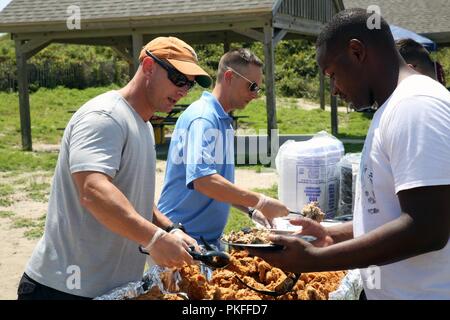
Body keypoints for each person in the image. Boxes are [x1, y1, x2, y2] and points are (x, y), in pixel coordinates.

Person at [249, 8, 450, 300]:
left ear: (357, 52)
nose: (333, 90)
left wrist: (316, 260)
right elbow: (388, 215)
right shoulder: (394, 106)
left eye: (332, 74)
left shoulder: (416, 105)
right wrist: (329, 236)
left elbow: (427, 228)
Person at [17, 36, 212, 300]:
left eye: (189, 83)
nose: (183, 89)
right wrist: (154, 239)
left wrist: (169, 230)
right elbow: (93, 190)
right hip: (62, 290)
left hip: (111, 291)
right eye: (178, 78)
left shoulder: (142, 124)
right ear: (148, 66)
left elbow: (128, 196)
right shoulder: (104, 116)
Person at [157, 48, 289, 248]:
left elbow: (220, 186)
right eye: (252, 86)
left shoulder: (221, 119)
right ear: (229, 77)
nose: (255, 95)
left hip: (202, 241)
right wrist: (260, 201)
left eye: (258, 89)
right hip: (181, 239)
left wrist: (252, 211)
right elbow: (203, 180)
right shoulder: (204, 118)